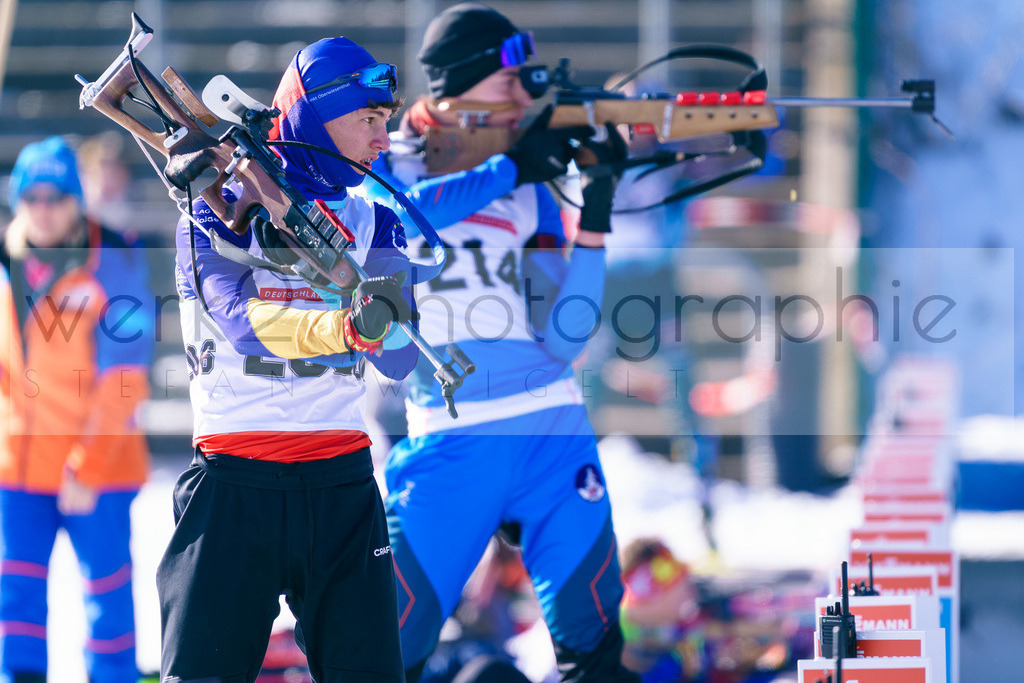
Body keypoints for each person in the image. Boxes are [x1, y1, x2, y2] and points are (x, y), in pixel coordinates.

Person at [361, 4, 639, 681]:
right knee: (382, 650)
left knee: (595, 649)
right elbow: (395, 223)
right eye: (508, 80)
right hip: (451, 442)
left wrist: (595, 214)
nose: (522, 97)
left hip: (552, 434)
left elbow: (563, 338)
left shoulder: (530, 190)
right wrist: (511, 169)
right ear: (459, 84)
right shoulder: (387, 161)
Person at [156, 37, 417, 682]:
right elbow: (242, 324)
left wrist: (369, 297)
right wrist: (344, 326)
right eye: (369, 119)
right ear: (316, 115)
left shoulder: (375, 222)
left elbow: (401, 359)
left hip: (342, 487)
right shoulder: (215, 207)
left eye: (385, 121)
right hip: (232, 483)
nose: (382, 140)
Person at [0, 136, 155, 683]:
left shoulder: (114, 260)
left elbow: (125, 381)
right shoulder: (7, 259)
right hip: (19, 468)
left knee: (106, 597)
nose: (43, 209)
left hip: (98, 469)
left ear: (76, 199)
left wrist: (87, 467)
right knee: (15, 600)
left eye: (56, 197)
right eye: (31, 197)